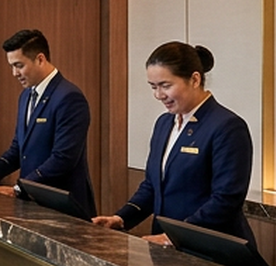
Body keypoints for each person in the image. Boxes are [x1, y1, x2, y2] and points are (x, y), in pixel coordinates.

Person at [94, 42, 255, 246]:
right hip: (167, 248)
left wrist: (178, 236)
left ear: (194, 79)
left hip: (210, 250)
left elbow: (226, 199)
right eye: (153, 87)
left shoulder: (227, 127)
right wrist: (121, 218)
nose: (159, 95)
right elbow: (153, 185)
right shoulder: (164, 123)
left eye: (166, 86)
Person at [0, 28, 96, 217]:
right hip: (33, 208)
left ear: (40, 59)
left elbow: (64, 158)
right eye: (11, 66)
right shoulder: (26, 96)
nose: (14, 73)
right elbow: (18, 148)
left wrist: (19, 189)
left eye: (19, 65)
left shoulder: (69, 97)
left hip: (63, 210)